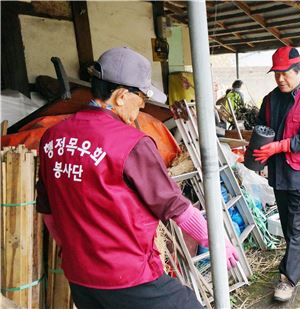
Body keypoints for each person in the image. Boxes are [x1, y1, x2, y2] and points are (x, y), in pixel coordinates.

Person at [37, 47, 239, 309]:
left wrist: (74, 252)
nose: (143, 105)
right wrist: (216, 242)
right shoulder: (131, 143)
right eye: (141, 96)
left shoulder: (53, 137)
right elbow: (173, 206)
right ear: (121, 96)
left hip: (80, 278)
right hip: (128, 277)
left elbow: (47, 211)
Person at [253, 46, 300, 302]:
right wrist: (256, 147)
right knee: (288, 224)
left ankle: (288, 278)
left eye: (286, 73)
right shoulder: (270, 99)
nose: (281, 78)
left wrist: (279, 146)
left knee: (296, 228)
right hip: (280, 174)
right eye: (277, 74)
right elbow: (261, 126)